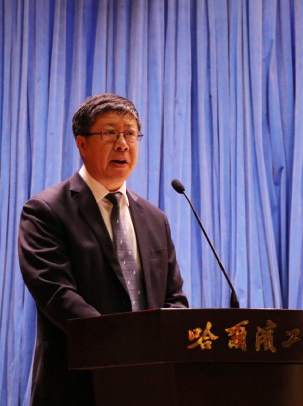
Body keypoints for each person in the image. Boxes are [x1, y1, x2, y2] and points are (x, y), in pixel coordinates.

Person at [18, 93, 189, 405]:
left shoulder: (155, 219)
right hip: (77, 384)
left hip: (150, 383)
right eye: (110, 133)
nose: (122, 144)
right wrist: (121, 346)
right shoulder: (46, 211)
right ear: (82, 144)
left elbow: (174, 298)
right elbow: (57, 294)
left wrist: (160, 345)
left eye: (130, 134)